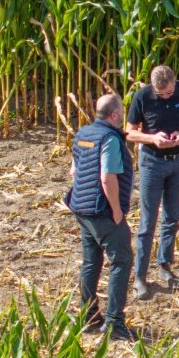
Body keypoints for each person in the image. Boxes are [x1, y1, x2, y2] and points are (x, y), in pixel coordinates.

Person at [65, 94, 139, 341]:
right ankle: (114, 323)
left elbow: (74, 171)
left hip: (81, 208)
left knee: (91, 261)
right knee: (122, 260)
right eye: (122, 112)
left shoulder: (83, 134)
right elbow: (107, 177)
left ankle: (88, 316)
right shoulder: (110, 138)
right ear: (115, 115)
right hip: (102, 211)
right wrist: (116, 210)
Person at [125, 65, 179, 299]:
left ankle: (164, 266)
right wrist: (151, 138)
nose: (166, 96)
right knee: (148, 221)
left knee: (172, 217)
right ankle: (140, 275)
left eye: (169, 93)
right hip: (152, 161)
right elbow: (129, 132)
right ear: (153, 87)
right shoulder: (142, 97)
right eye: (161, 94)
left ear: (175, 82)